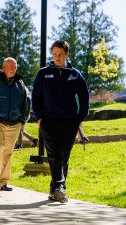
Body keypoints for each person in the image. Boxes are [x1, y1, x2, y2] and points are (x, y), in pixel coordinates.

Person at [32, 40, 89, 203]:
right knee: (54, 154)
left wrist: (80, 117)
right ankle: (60, 187)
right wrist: (39, 116)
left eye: (60, 54)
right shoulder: (43, 73)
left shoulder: (75, 74)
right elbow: (35, 96)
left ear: (66, 54)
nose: (57, 57)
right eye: (55, 54)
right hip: (48, 121)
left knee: (63, 156)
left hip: (70, 121)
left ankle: (54, 190)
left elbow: (84, 97)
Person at [0, 57, 30, 191]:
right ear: (3, 68)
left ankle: (4, 182)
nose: (13, 69)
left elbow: (26, 102)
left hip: (14, 123)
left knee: (8, 152)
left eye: (15, 66)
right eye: (10, 66)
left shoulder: (20, 83)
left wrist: (22, 120)